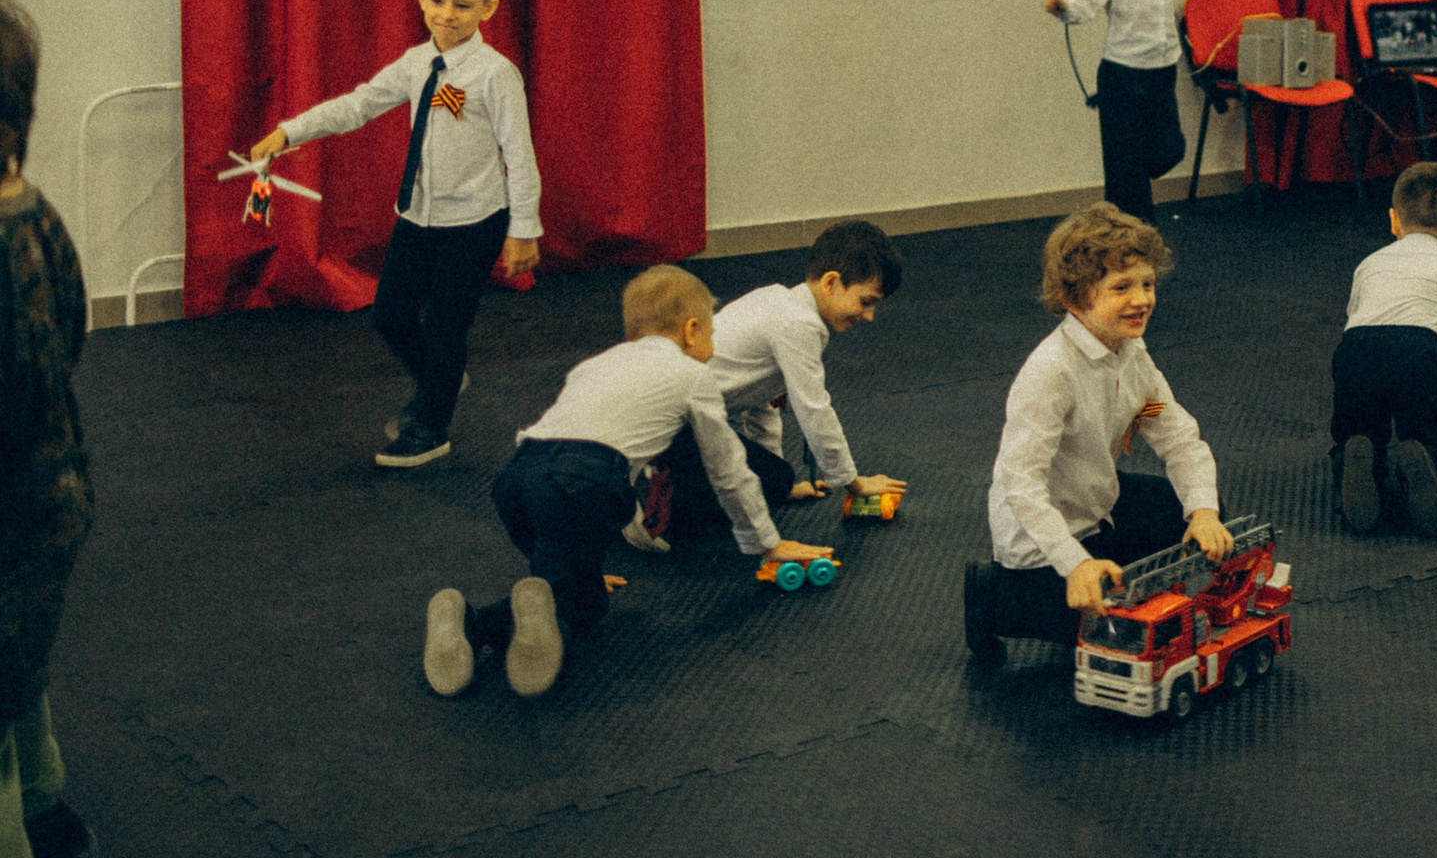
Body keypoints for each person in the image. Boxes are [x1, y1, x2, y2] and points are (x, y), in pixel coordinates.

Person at [422, 266, 835, 699]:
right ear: (691, 330)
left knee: (563, 566)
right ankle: (497, 619)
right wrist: (767, 543)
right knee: (586, 607)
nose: (713, 350)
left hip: (515, 476)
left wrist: (580, 567)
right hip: (586, 481)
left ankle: (474, 620)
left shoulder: (594, 365)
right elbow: (729, 470)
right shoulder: (693, 376)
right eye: (712, 335)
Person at [250, 0, 541, 468]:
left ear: (488, 10)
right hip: (417, 216)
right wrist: (289, 131)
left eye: (462, 5)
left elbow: (519, 155)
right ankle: (441, 377)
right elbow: (359, 104)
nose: (447, 15)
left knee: (447, 326)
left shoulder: (495, 75)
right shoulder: (417, 63)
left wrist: (523, 229)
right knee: (389, 315)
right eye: (437, 1)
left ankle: (431, 428)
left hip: (474, 222)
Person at [964, 206, 1232, 664]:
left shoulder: (1132, 355)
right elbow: (1021, 484)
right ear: (1076, 298)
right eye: (1121, 288)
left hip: (1097, 504)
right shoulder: (1051, 373)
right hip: (1043, 535)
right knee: (1109, 633)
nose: (1142, 299)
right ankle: (994, 594)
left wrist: (1203, 511)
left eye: (1147, 284)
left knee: (1202, 515)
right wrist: (1076, 565)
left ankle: (1112, 567)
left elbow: (1176, 436)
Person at [631, 221, 910, 552]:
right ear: (831, 282)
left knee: (775, 477)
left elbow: (763, 402)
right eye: (866, 301)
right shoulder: (798, 326)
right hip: (662, 424)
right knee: (706, 520)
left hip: (676, 416)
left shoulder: (779, 302)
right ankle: (643, 502)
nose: (869, 317)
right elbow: (814, 410)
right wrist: (852, 482)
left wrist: (776, 484)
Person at [1, 0, 93, 858]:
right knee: (14, 661)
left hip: (14, 510)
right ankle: (47, 799)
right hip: (55, 501)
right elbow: (68, 335)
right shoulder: (36, 210)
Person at [1044, 0, 1241, 222]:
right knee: (1126, 178)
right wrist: (1063, 5)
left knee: (1169, 150)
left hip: (1161, 70)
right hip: (1123, 75)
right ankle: (1130, 243)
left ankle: (1130, 217)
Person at [1332, 161, 1437, 538]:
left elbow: (1353, 319)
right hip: (1417, 355)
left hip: (1356, 351)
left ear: (1393, 220)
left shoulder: (1369, 264)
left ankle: (1358, 456)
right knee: (1432, 437)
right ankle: (1426, 462)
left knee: (1354, 429)